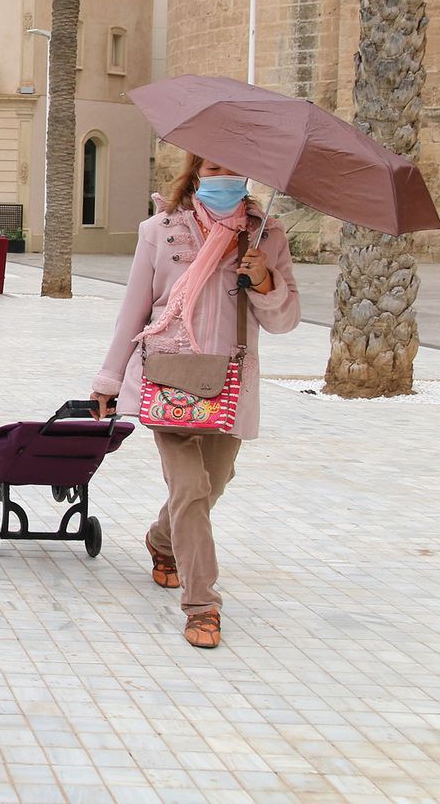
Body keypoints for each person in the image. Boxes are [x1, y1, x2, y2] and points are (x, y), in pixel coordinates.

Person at [90, 153, 301, 649]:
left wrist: (266, 279)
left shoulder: (267, 236)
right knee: (189, 489)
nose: (223, 178)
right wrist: (107, 381)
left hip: (230, 381)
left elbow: (286, 320)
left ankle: (162, 540)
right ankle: (202, 604)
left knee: (214, 483)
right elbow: (133, 312)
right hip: (169, 374)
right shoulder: (160, 229)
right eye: (213, 169)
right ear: (195, 175)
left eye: (233, 170)